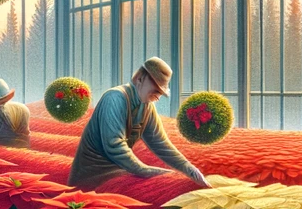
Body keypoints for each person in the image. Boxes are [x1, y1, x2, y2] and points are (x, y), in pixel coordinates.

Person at [67, 57, 209, 189]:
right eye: (156, 90)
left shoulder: (147, 105)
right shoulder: (114, 98)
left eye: (161, 93)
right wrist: (145, 170)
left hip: (121, 172)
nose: (158, 97)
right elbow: (114, 146)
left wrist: (189, 169)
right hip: (93, 178)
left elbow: (161, 144)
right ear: (140, 79)